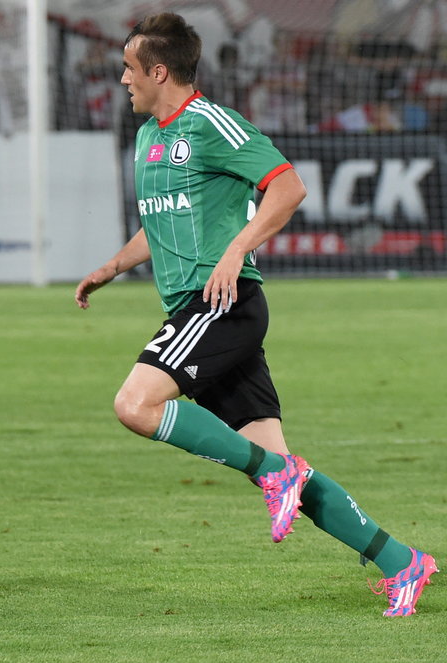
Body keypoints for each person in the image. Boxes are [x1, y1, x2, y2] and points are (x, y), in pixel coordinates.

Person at [74, 12, 437, 617]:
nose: (121, 80)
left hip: (221, 304)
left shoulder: (211, 122)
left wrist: (238, 248)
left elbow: (288, 186)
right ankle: (403, 561)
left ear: (159, 71)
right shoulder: (148, 136)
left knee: (133, 405)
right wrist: (112, 267)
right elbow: (164, 220)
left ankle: (276, 473)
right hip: (202, 310)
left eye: (130, 69)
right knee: (283, 469)